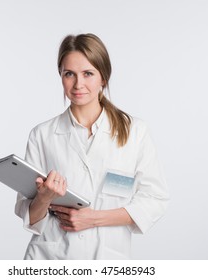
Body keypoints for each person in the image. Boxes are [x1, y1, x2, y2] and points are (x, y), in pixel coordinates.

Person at [15, 33, 169, 260]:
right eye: (69, 74)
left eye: (88, 73)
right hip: (50, 259)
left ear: (103, 78)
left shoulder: (135, 132)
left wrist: (94, 218)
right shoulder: (43, 135)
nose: (78, 84)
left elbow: (154, 199)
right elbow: (29, 215)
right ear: (61, 76)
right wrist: (44, 198)